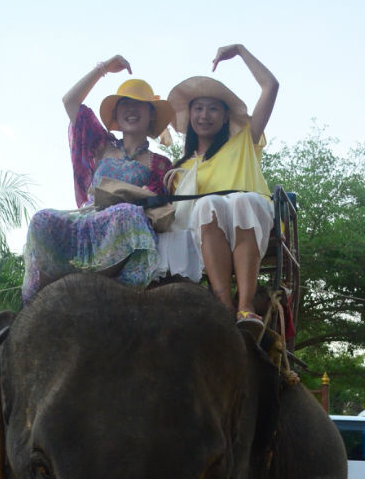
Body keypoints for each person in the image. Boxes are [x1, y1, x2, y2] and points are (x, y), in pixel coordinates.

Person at [22, 56, 174, 302]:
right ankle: (39, 304)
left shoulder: (159, 163)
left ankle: (100, 288)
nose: (131, 109)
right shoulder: (102, 145)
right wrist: (102, 69)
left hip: (123, 229)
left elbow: (157, 205)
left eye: (139, 104)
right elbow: (69, 101)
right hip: (87, 224)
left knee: (128, 213)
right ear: (117, 113)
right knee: (42, 219)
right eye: (125, 103)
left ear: (152, 115)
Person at [166, 45, 279, 323]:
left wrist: (241, 51)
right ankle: (224, 306)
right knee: (208, 204)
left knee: (243, 200)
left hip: (252, 215)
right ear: (190, 116)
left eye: (213, 109)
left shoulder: (244, 141)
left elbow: (270, 86)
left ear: (226, 115)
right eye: (199, 109)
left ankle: (245, 305)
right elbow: (180, 219)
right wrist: (174, 184)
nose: (205, 116)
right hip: (208, 231)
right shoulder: (180, 169)